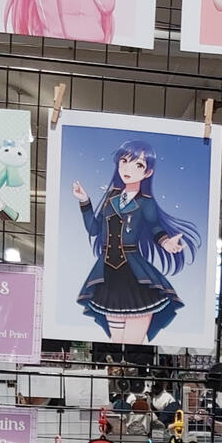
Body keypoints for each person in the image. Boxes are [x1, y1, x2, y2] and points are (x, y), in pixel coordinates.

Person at [73, 139, 200, 345]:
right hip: (108, 275)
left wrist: (167, 243)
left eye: (138, 164)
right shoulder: (110, 198)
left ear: (148, 172)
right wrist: (84, 202)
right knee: (116, 343)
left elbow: (155, 228)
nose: (128, 168)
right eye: (124, 161)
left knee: (133, 344)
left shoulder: (145, 202)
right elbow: (94, 229)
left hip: (134, 275)